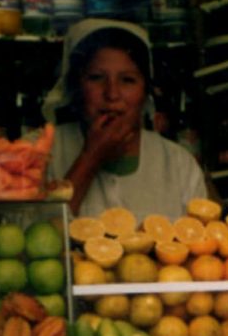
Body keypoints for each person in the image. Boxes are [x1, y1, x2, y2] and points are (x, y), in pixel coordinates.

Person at [44, 18, 214, 218]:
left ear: (145, 92)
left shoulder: (177, 163)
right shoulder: (41, 152)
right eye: (96, 77)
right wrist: (90, 157)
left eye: (127, 80)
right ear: (76, 86)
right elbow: (42, 240)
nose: (112, 94)